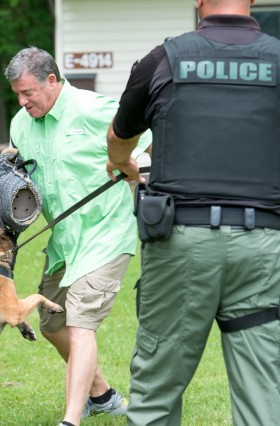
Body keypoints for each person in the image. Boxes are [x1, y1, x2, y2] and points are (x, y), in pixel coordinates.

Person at [106, 1, 280, 425]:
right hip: (263, 247)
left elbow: (119, 135)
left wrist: (125, 162)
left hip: (180, 243)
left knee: (156, 391)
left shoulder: (163, 58)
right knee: (264, 397)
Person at [4, 47, 151, 426]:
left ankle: (70, 420)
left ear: (52, 81)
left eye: (28, 93)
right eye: (17, 94)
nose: (22, 102)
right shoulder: (21, 124)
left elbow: (146, 129)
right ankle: (101, 395)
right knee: (52, 325)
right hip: (63, 241)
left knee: (80, 324)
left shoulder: (90, 108)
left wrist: (130, 164)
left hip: (105, 232)